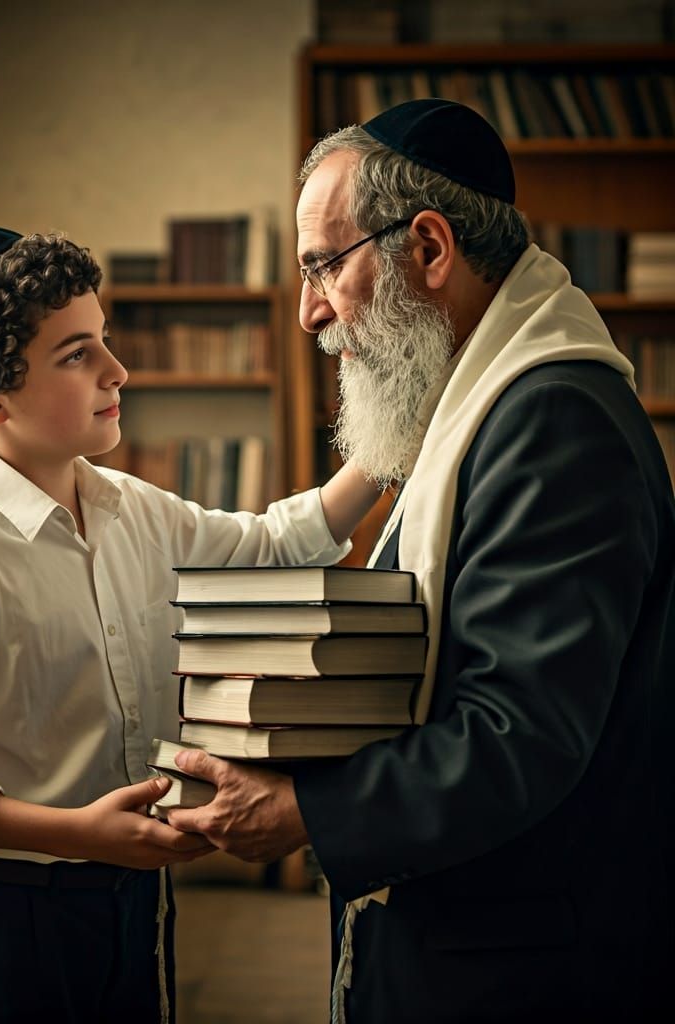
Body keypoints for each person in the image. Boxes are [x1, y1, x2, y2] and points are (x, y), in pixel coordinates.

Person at [165, 98, 675, 1024]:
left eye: (324, 265)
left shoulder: (554, 421)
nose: (313, 310)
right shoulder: (475, 406)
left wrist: (303, 814)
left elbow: (519, 733)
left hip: (525, 965)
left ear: (429, 248)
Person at [0, 225, 383, 1024]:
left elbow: (271, 543)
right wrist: (77, 833)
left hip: (133, 902)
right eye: (76, 355)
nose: (116, 371)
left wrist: (390, 439)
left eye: (105, 341)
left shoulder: (133, 509)